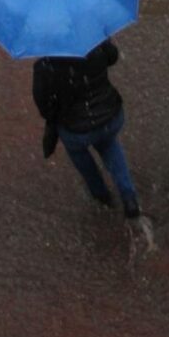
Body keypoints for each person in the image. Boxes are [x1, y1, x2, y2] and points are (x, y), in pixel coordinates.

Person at [32, 38, 141, 219]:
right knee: (109, 145)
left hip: (76, 129)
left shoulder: (45, 66)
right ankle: (129, 198)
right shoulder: (93, 41)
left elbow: (43, 105)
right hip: (110, 116)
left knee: (79, 154)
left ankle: (101, 195)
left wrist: (57, 115)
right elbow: (112, 57)